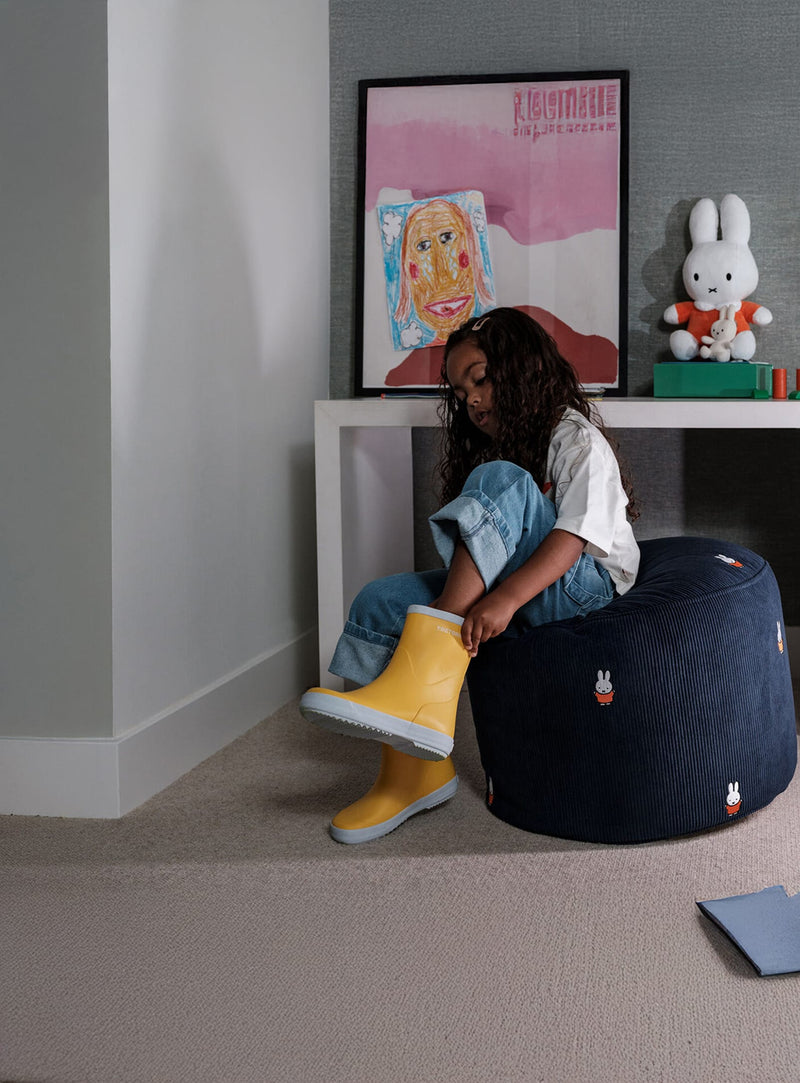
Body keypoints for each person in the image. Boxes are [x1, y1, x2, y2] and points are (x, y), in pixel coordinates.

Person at [300, 307, 640, 844]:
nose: (472, 400)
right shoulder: (504, 447)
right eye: (461, 394)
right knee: (382, 601)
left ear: (523, 369)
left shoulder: (577, 441)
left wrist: (502, 600)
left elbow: (571, 542)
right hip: (526, 583)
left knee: (501, 481)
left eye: (479, 380)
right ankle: (412, 775)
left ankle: (425, 685)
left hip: (582, 586)